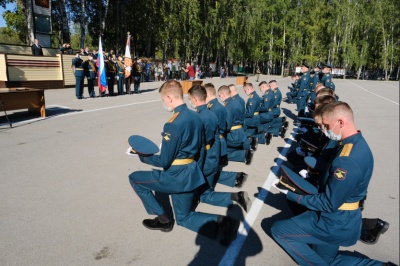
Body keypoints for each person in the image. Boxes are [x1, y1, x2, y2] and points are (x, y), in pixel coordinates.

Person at [271, 101, 389, 265]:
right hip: (344, 216)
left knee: (279, 230)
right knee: (328, 260)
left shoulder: (346, 160)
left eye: (326, 125)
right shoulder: (356, 144)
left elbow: (328, 203)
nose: (325, 130)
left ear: (341, 122)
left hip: (334, 221)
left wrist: (292, 194)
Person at [128, 80, 239, 245]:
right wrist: (197, 171)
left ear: (169, 97)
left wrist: (141, 156)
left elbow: (164, 161)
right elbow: (201, 149)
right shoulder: (196, 116)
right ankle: (223, 222)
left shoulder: (172, 124)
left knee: (135, 178)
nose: (164, 103)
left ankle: (163, 219)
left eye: (163, 100)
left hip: (176, 176)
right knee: (183, 217)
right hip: (192, 172)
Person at [188, 85, 251, 212]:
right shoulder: (210, 112)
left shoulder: (203, 115)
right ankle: (236, 181)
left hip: (206, 156)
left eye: (190, 99)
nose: (189, 102)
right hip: (213, 153)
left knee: (204, 193)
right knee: (211, 177)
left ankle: (233, 199)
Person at [218, 85, 253, 164]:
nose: (219, 97)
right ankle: (245, 148)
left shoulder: (228, 106)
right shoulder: (237, 102)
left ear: (223, 94)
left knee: (219, 149)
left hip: (233, 135)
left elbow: (227, 125)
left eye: (219, 95)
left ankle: (244, 154)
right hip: (241, 132)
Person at [242, 83, 260, 149]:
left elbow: (250, 114)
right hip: (256, 117)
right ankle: (253, 141)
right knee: (251, 131)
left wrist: (241, 114)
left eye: (245, 90)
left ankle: (247, 143)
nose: (245, 92)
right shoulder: (256, 95)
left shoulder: (251, 99)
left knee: (240, 128)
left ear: (248, 89)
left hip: (252, 119)